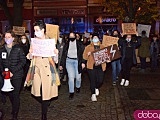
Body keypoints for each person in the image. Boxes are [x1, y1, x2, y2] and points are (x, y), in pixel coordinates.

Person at [26, 20, 58, 120]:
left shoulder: (50, 41)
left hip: (48, 69)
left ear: (43, 30)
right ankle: (45, 102)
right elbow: (30, 56)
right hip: (36, 68)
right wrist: (31, 53)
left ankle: (44, 115)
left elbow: (55, 60)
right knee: (35, 92)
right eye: (34, 30)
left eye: (37, 30)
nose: (35, 32)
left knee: (45, 91)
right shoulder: (34, 42)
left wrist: (56, 53)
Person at [0, 30, 26, 120]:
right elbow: (0, 63)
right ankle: (14, 106)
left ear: (13, 38)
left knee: (15, 94)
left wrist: (12, 71)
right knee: (10, 94)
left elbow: (23, 61)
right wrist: (3, 72)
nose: (7, 39)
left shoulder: (18, 48)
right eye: (5, 37)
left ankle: (15, 114)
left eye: (9, 37)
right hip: (6, 77)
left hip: (17, 75)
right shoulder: (2, 49)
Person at [59, 31, 85, 100]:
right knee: (71, 77)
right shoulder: (66, 44)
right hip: (69, 61)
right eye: (70, 36)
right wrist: (61, 64)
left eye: (72, 36)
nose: (71, 38)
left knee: (78, 77)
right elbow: (63, 55)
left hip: (77, 61)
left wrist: (83, 62)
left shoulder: (80, 44)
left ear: (75, 37)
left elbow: (83, 54)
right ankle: (71, 92)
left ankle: (78, 86)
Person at [83, 34, 106, 101]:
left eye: (96, 37)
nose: (95, 39)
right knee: (92, 80)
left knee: (100, 80)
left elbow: (106, 56)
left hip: (100, 66)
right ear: (92, 39)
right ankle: (93, 94)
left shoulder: (102, 47)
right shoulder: (88, 47)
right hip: (91, 67)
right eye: (94, 38)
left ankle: (96, 87)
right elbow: (84, 57)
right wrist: (88, 54)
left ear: (99, 39)